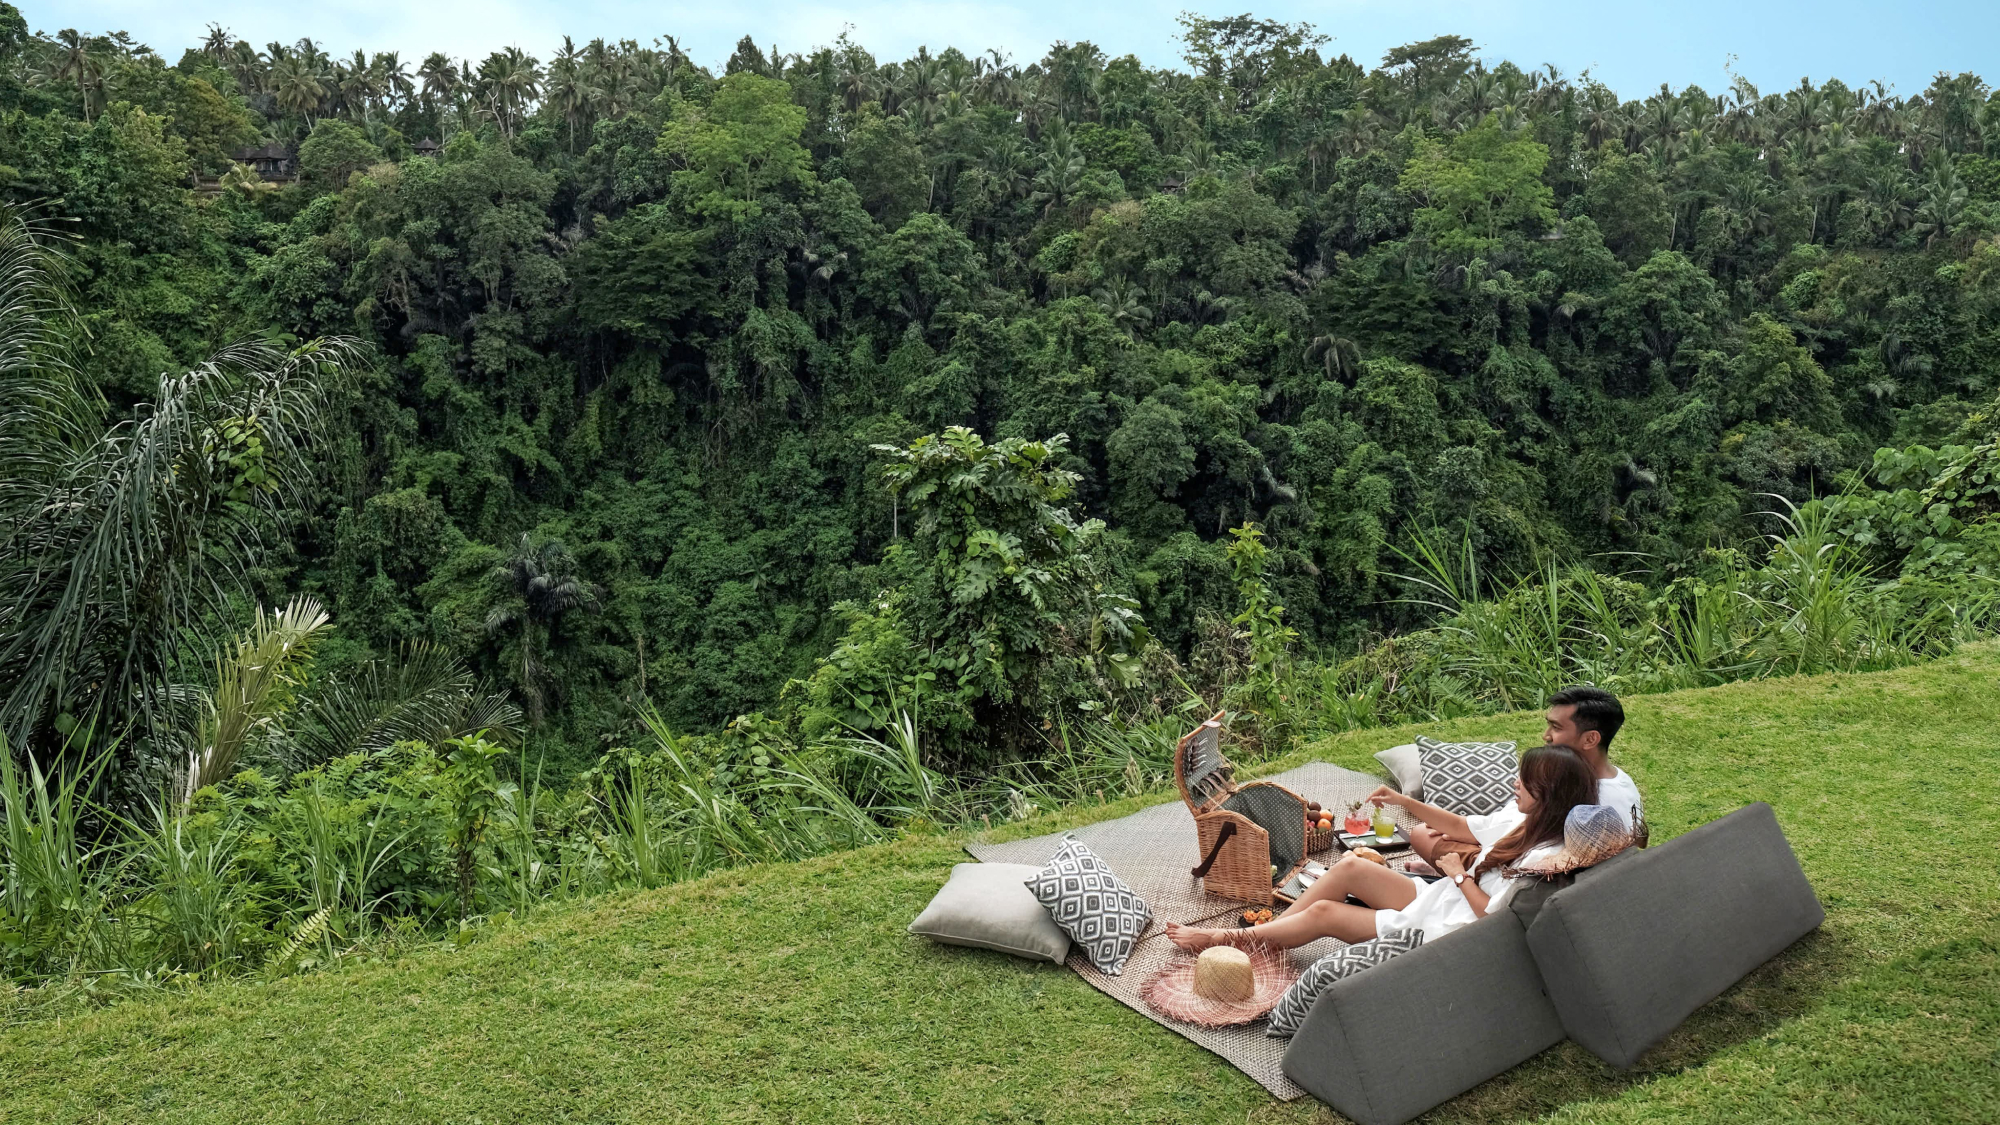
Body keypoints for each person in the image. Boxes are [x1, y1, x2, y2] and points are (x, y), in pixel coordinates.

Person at [1165, 745, 1597, 952]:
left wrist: (1457, 872)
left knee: (1323, 914)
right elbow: (1465, 826)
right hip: (1440, 899)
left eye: (1523, 783)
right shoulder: (1526, 821)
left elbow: (1491, 916)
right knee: (1352, 867)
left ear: (1547, 794)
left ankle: (1225, 939)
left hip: (1448, 927)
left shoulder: (1547, 857)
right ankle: (1262, 941)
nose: (1514, 786)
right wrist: (1406, 804)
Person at [1391, 684, 1644, 872]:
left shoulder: (1580, 802)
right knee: (1441, 832)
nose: (1546, 736)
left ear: (1590, 739)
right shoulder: (1622, 782)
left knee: (1423, 834)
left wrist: (1468, 856)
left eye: (1556, 728)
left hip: (1508, 869)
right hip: (1507, 848)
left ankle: (1448, 874)